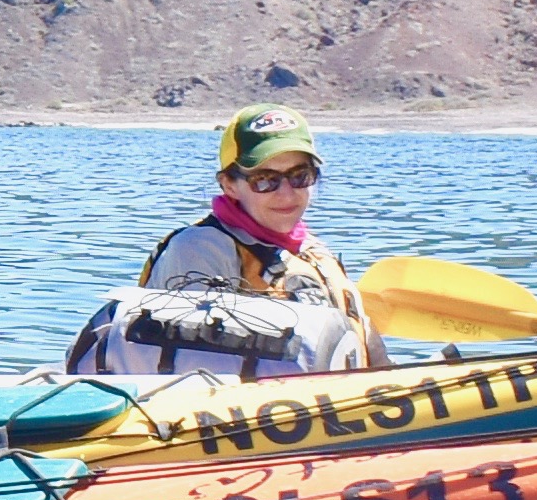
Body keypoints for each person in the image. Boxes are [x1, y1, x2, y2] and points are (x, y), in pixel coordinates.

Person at [91, 104, 374, 375]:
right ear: (229, 185)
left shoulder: (315, 254)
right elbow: (187, 368)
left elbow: (371, 356)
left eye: (300, 176)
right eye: (265, 180)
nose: (287, 194)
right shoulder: (198, 250)